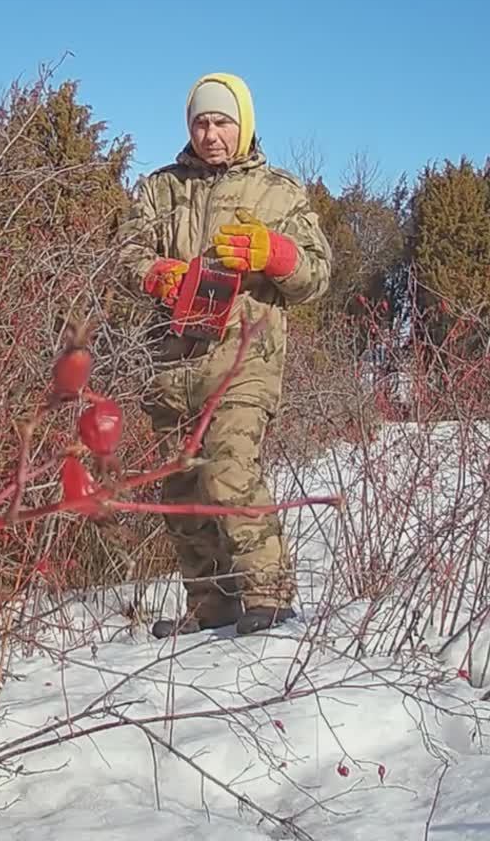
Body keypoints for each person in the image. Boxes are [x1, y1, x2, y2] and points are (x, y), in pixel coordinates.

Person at [119, 73, 331, 637]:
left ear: (245, 124)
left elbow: (317, 276)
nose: (212, 133)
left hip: (246, 359)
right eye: (202, 122)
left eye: (223, 122)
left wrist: (279, 254)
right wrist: (153, 274)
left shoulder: (280, 192)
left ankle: (269, 597)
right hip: (170, 363)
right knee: (182, 486)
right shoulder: (158, 190)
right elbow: (125, 254)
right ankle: (211, 607)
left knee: (230, 472)